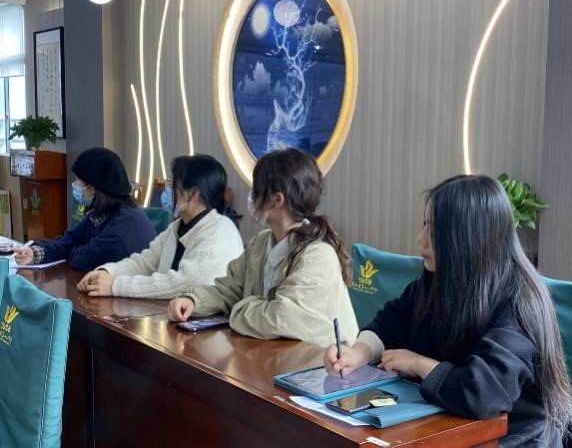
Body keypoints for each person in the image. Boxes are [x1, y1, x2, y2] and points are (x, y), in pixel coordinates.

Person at [325, 175, 572, 447]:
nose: (421, 239)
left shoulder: (519, 301)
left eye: (435, 230)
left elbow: (484, 393)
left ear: (469, 236)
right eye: (424, 225)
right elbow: (391, 323)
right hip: (445, 425)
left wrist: (419, 364)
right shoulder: (441, 278)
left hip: (512, 438)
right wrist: (358, 353)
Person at [167, 148, 358, 347]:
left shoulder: (318, 255)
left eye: (256, 190)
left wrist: (240, 308)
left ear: (277, 200)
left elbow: (284, 318)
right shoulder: (261, 242)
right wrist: (194, 301)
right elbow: (229, 289)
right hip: (273, 355)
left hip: (320, 362)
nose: (252, 197)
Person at [76, 154, 244, 299]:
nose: (168, 191)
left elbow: (188, 283)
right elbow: (144, 262)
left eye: (174, 186)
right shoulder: (176, 228)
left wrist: (116, 285)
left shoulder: (220, 230)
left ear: (193, 194)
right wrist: (107, 273)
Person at [14, 147, 156, 271]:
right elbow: (69, 240)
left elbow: (85, 259)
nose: (75, 184)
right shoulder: (100, 214)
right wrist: (35, 252)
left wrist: (73, 250)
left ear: (93, 188)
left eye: (78, 180)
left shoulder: (124, 225)